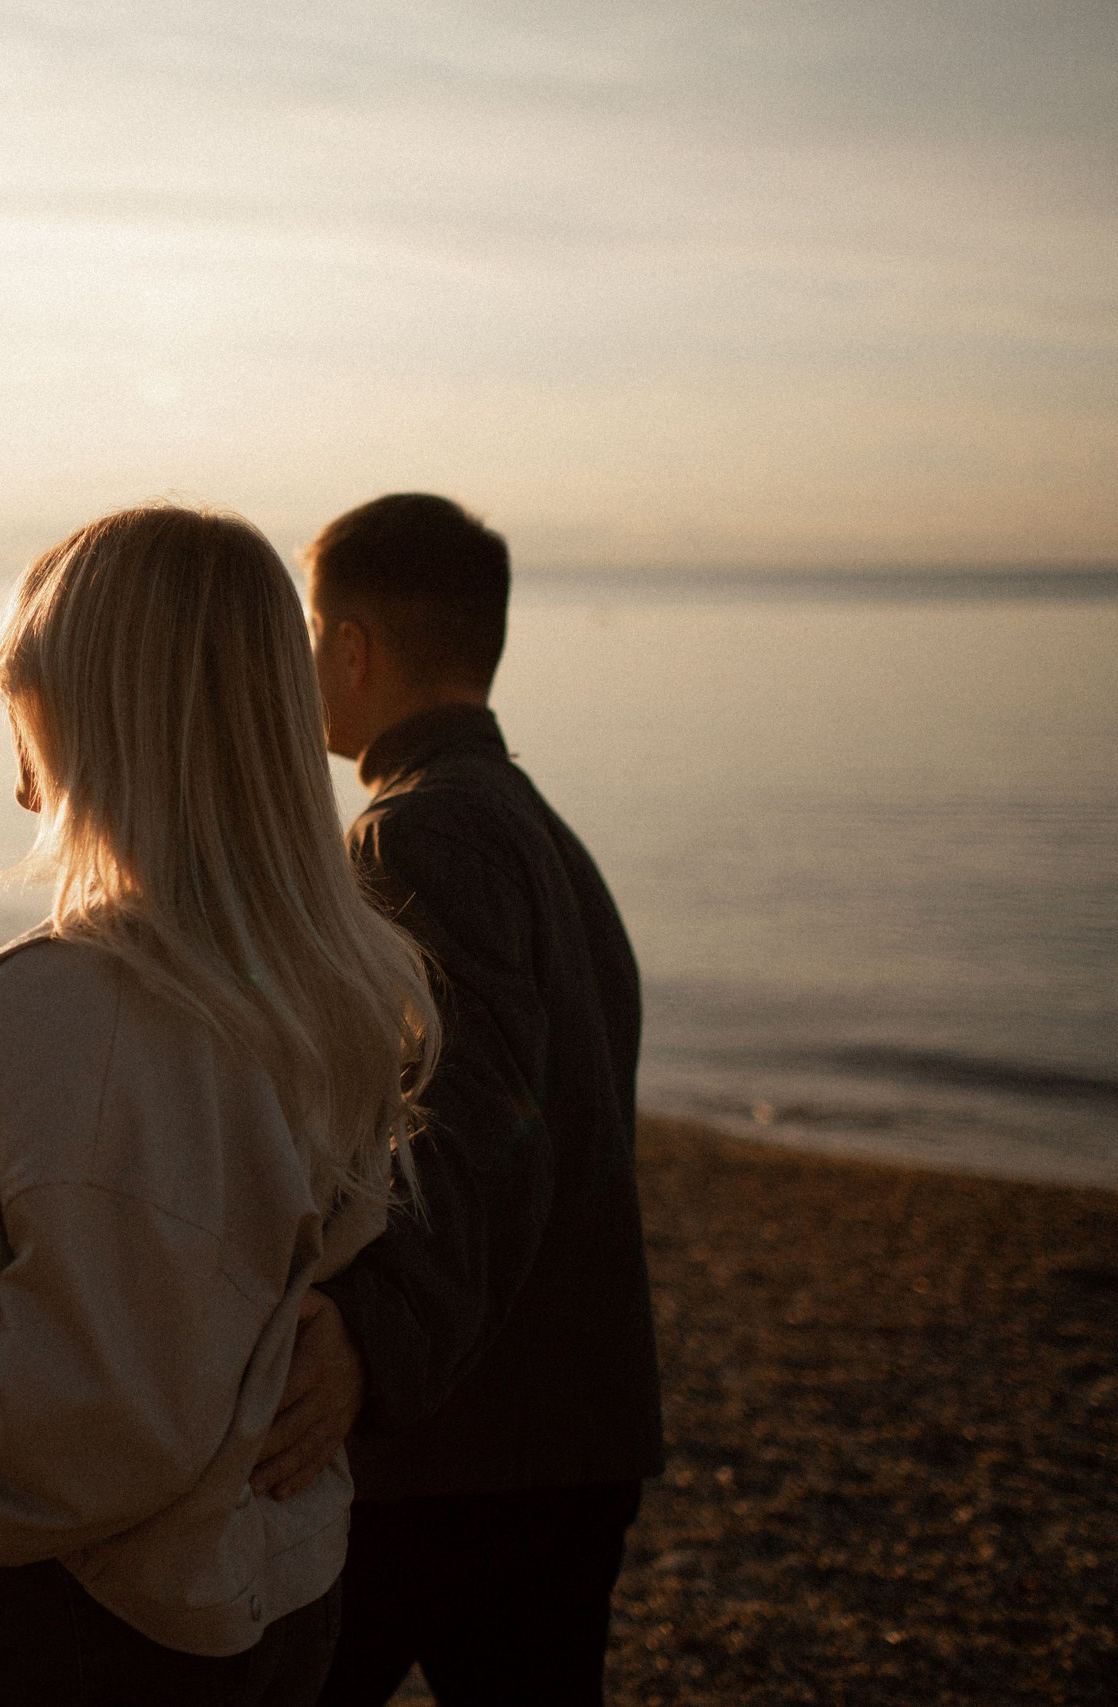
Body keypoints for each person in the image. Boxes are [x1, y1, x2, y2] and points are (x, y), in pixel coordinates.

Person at [0, 505, 437, 1706]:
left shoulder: (65, 1004)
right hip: (288, 1568)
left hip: (104, 1612)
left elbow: (36, 1396)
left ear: (115, 730)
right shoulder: (349, 984)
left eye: (29, 728)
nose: (17, 785)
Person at [252, 493, 665, 1707]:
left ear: (353, 646)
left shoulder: (414, 836)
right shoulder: (541, 833)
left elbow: (476, 1120)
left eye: (313, 630)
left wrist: (371, 1338)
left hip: (463, 1447)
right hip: (568, 1428)